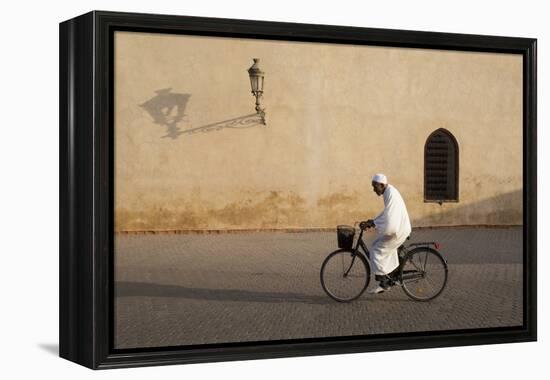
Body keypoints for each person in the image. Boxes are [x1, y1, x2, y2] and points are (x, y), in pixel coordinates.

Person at [361, 173, 412, 294]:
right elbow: (387, 213)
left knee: (375, 249)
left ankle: (384, 283)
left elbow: (390, 216)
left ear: (382, 185)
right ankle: (391, 276)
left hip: (399, 231)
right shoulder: (389, 192)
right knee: (383, 248)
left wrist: (374, 223)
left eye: (375, 186)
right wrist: (373, 221)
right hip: (400, 227)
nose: (374, 190)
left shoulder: (390, 193)